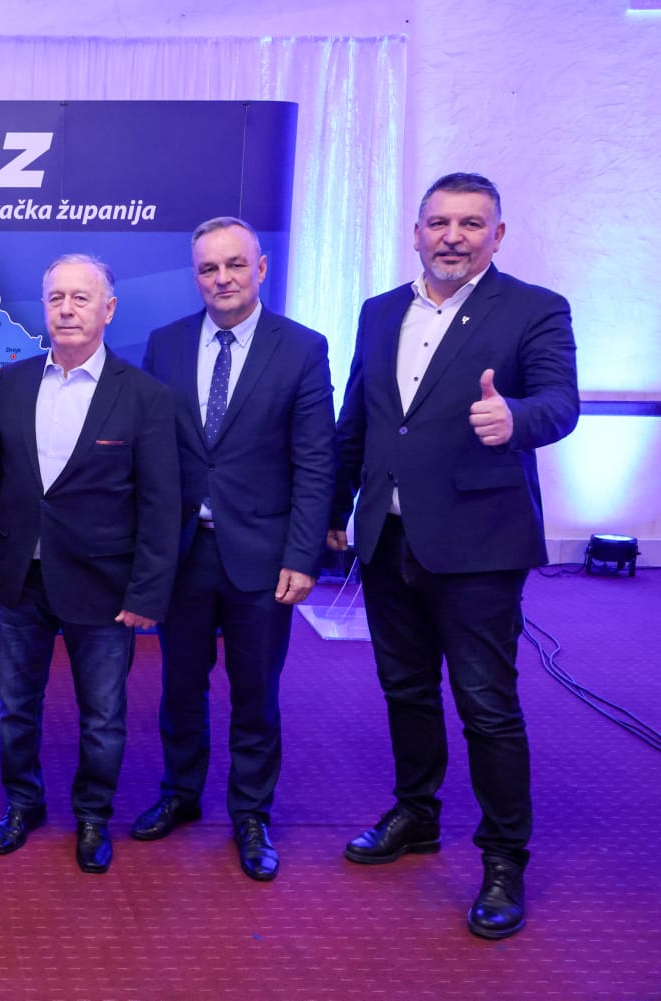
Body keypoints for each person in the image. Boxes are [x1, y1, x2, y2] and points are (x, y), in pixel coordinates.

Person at [329, 172, 579, 939]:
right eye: (439, 222)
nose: (453, 236)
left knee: (486, 705)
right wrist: (334, 512)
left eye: (472, 223)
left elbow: (560, 402)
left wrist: (517, 418)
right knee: (405, 689)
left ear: (497, 235)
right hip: (388, 538)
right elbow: (359, 419)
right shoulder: (379, 311)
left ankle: (504, 859)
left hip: (479, 544)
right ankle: (417, 813)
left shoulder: (535, 308)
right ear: (416, 232)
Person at [135, 217, 335, 881]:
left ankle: (251, 813)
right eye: (208, 268)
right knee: (179, 685)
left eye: (235, 265)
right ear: (195, 275)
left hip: (264, 556)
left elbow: (316, 461)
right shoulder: (165, 344)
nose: (222, 279)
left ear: (261, 268)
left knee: (255, 693)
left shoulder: (302, 348)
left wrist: (303, 556)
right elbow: (150, 454)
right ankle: (180, 792)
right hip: (184, 552)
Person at [0, 254, 180, 874]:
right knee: (15, 708)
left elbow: (160, 503)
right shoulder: (13, 381)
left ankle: (93, 816)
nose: (66, 309)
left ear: (108, 310)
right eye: (56, 298)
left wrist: (147, 593)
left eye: (81, 298)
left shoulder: (144, 395)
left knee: (103, 717)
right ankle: (22, 803)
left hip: (105, 586)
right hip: (21, 578)